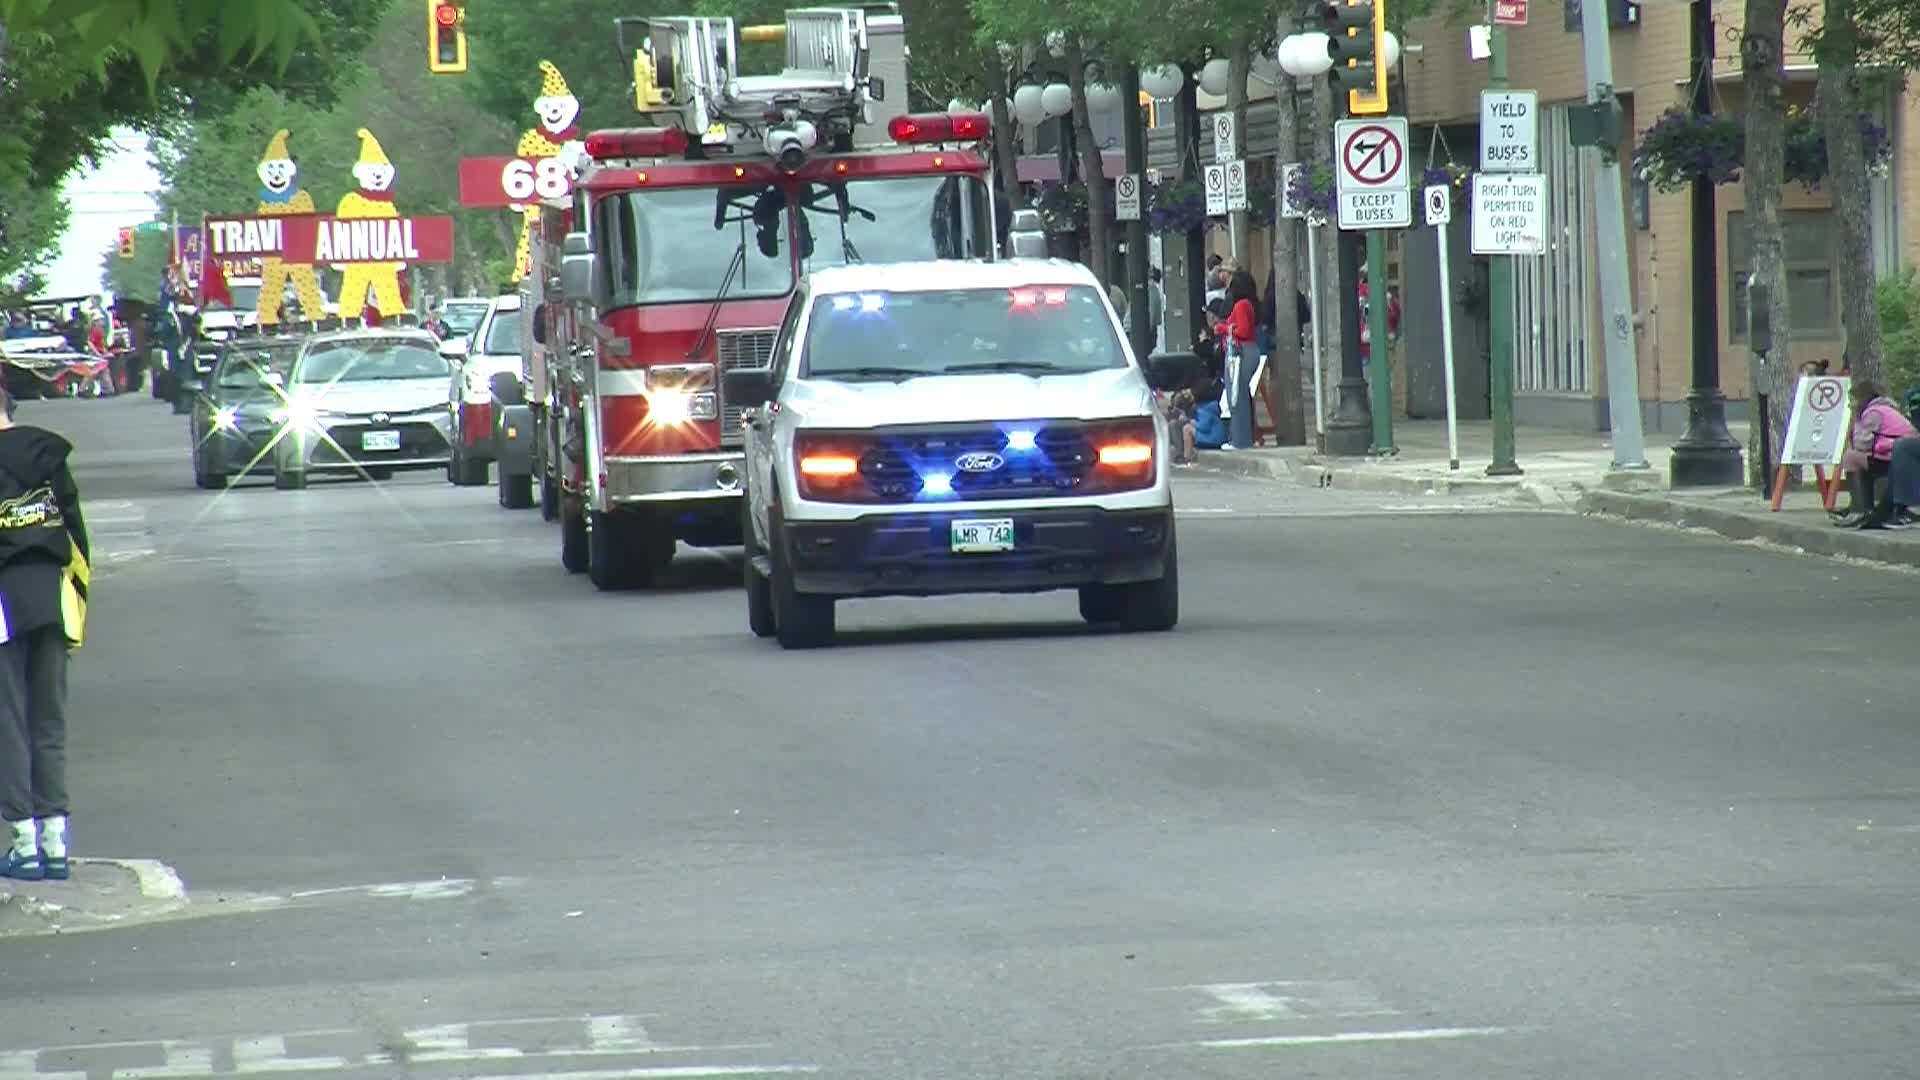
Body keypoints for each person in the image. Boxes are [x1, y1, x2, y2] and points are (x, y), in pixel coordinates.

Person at [0, 383, 89, 881]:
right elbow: (77, 534)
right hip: (52, 594)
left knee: (8, 720)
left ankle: (23, 845)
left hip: (2, 601)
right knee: (49, 717)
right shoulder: (48, 453)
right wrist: (78, 600)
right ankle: (55, 842)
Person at [1834, 379, 1917, 526]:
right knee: (1860, 461)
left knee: (1850, 458)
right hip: (1897, 452)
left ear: (1861, 398)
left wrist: (1856, 423)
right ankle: (1864, 507)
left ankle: (1859, 508)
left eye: (1852, 400)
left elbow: (1862, 443)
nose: (1850, 404)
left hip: (1891, 454)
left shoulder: (1873, 413)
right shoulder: (1886, 409)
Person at [1214, 270, 1260, 450]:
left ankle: (1240, 440)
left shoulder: (1241, 305)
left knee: (1237, 397)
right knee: (1239, 395)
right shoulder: (1249, 304)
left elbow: (1243, 331)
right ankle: (1242, 437)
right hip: (1248, 351)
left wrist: (1224, 329)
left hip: (1242, 351)